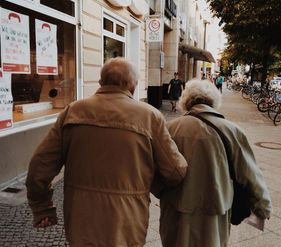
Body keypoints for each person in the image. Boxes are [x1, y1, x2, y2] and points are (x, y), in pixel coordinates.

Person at [26, 57, 188, 246]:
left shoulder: (73, 111)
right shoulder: (150, 116)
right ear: (133, 85)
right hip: (127, 219)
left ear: (101, 83)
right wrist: (150, 182)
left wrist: (42, 208)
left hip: (81, 217)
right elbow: (176, 172)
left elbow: (39, 167)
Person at [157, 79, 272, 247]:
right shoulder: (232, 130)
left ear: (186, 101)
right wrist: (263, 206)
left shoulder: (170, 128)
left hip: (176, 207)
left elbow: (158, 169)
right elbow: (249, 173)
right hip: (215, 208)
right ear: (214, 102)